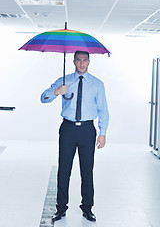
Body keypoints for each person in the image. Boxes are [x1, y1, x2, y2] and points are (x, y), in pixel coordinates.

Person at [41, 50, 109, 222]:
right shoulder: (64, 81)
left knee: (87, 171)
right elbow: (44, 98)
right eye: (78, 60)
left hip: (87, 130)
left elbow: (103, 111)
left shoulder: (97, 84)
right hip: (68, 129)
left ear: (89, 62)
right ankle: (61, 208)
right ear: (73, 62)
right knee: (64, 170)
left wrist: (102, 133)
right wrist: (57, 91)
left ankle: (87, 208)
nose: (81, 64)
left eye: (84, 60)